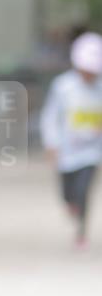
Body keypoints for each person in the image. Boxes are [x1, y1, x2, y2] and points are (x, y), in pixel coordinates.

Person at [40, 31, 102, 247]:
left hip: (92, 151)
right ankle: (71, 205)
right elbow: (50, 116)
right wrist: (51, 144)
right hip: (68, 151)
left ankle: (81, 232)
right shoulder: (63, 87)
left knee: (85, 190)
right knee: (68, 193)